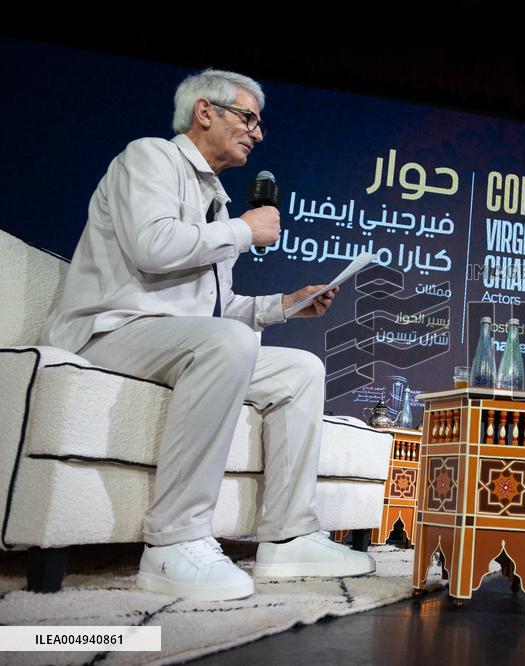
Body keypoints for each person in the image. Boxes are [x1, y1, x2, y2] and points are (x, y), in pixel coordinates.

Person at [41, 69, 374, 601]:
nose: (257, 133)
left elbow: (214, 308)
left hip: (172, 340)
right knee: (226, 342)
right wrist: (245, 230)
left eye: (258, 123)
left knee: (299, 369)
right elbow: (153, 246)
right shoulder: (150, 157)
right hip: (108, 333)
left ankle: (287, 537)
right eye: (248, 118)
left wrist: (283, 306)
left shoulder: (213, 198)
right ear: (205, 112)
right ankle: (173, 541)